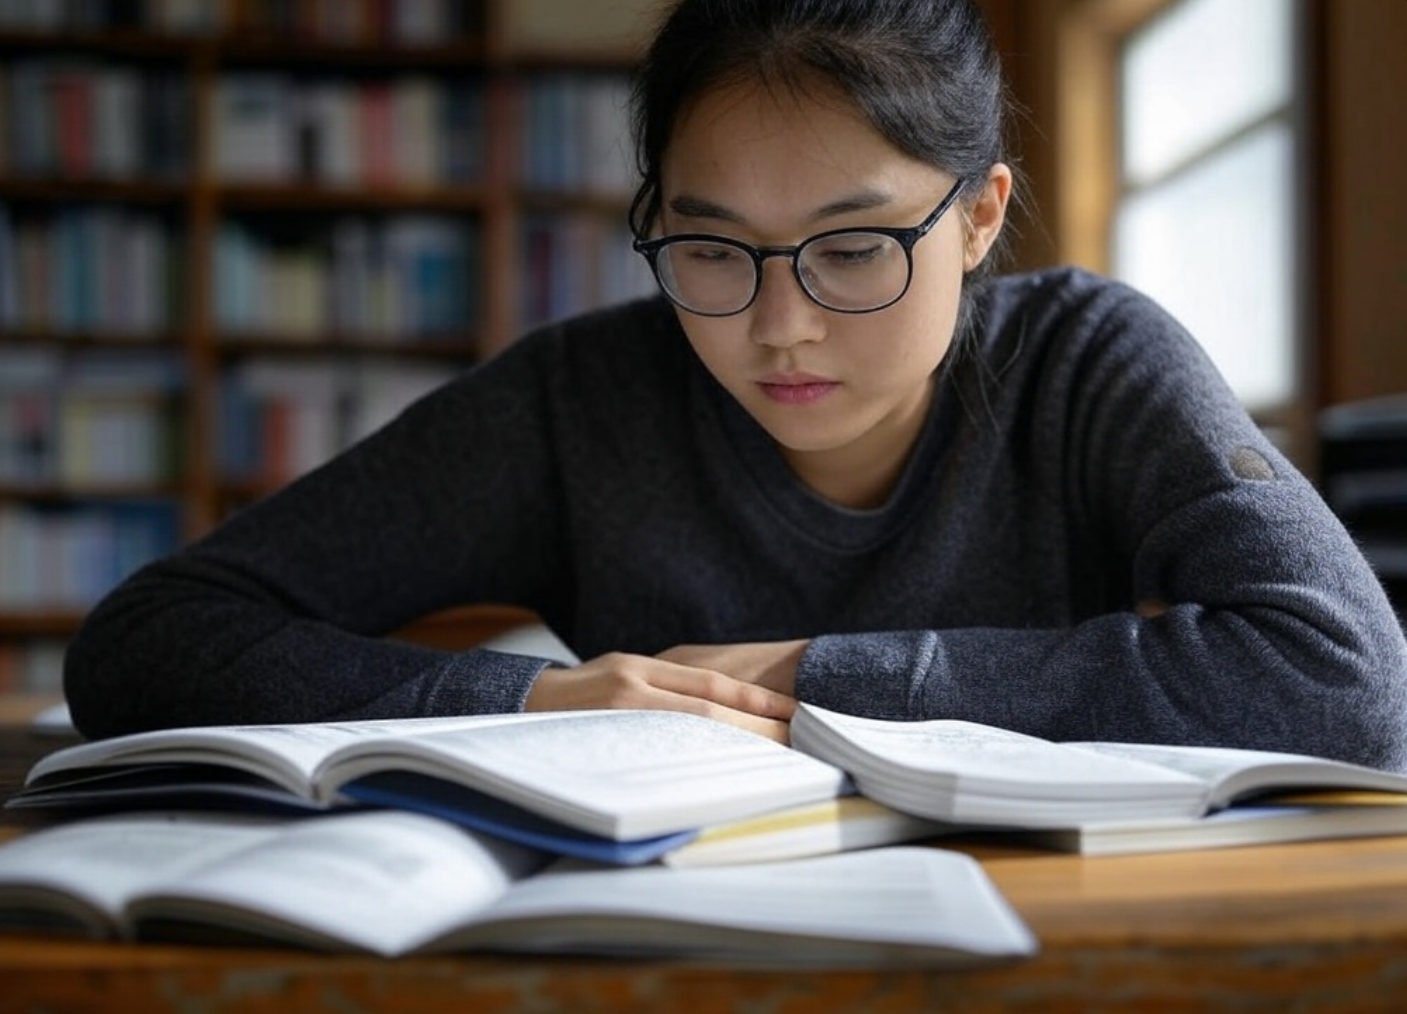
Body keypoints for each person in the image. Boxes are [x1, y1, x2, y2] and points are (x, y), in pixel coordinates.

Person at [64, 0, 1407, 771]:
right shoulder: (576, 403)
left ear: (981, 217)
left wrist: (815, 674)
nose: (779, 326)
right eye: (709, 249)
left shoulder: (1087, 362)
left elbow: (1346, 678)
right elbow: (146, 636)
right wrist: (524, 698)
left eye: (854, 246)